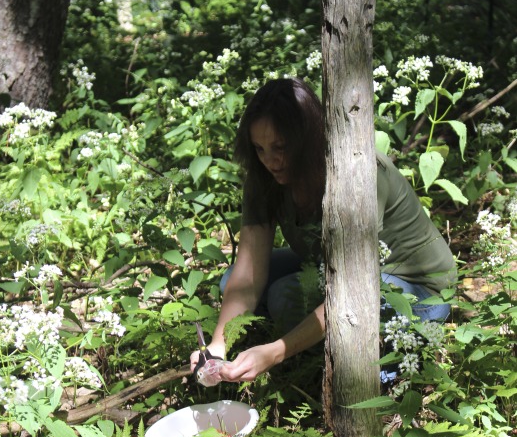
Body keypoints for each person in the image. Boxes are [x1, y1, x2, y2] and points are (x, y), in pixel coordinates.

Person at [190, 77, 456, 384]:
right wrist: (217, 345)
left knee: (283, 297)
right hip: (334, 268)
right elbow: (248, 273)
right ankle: (307, 342)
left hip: (418, 289)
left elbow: (352, 287)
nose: (270, 161)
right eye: (259, 149)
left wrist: (276, 352)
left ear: (308, 139)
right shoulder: (263, 178)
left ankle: (374, 368)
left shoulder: (357, 171)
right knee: (230, 280)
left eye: (280, 147)